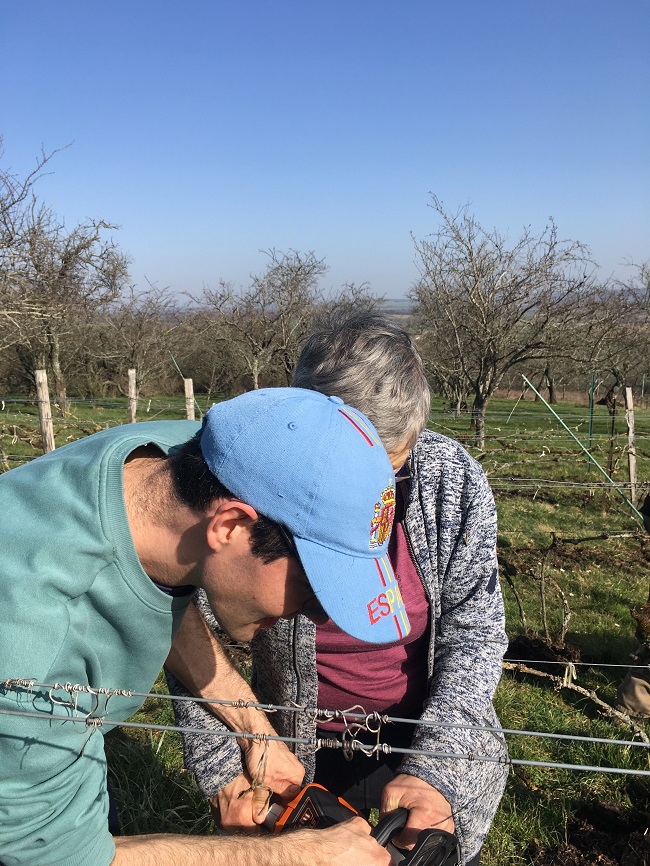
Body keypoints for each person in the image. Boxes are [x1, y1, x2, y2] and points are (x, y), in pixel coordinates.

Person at [0, 387, 400, 866]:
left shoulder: (175, 463)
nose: (320, 618)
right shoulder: (33, 650)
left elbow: (173, 578)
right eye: (314, 590)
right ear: (230, 525)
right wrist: (294, 857)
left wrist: (257, 732)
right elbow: (56, 857)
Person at [170, 315, 510, 866]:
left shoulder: (453, 482)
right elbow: (189, 629)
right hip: (285, 754)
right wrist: (223, 773)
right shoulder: (248, 485)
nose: (367, 497)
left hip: (425, 736)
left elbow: (476, 632)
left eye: (388, 475)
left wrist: (436, 768)